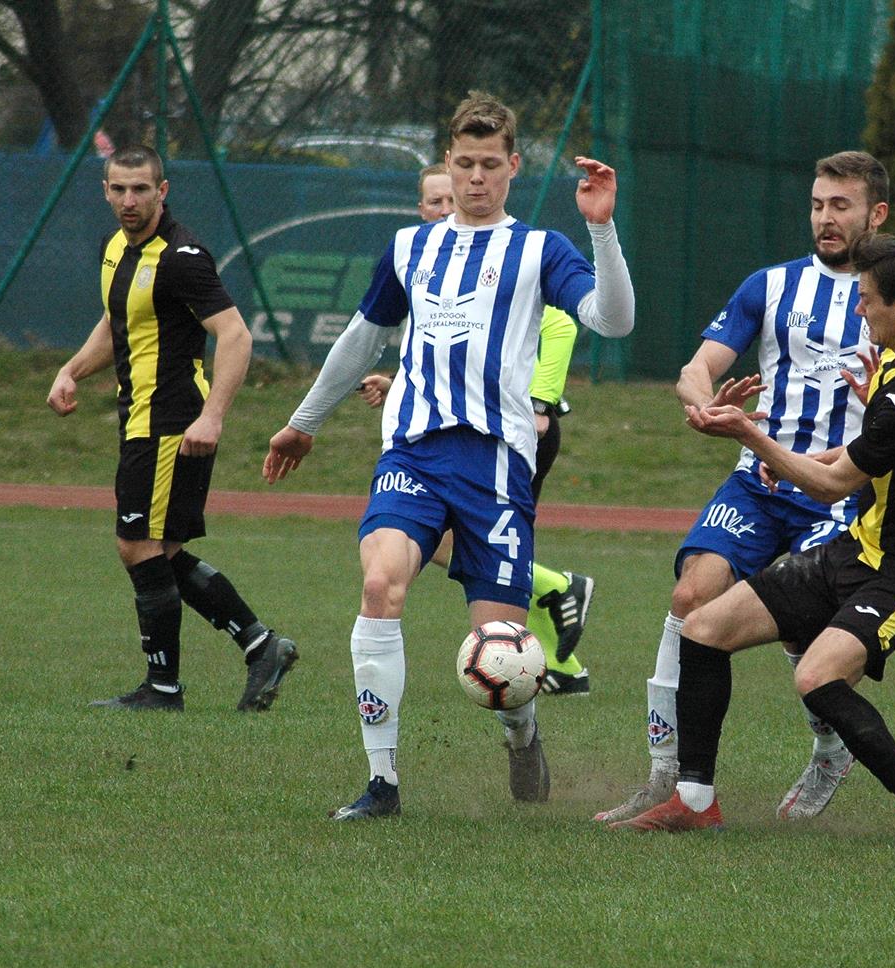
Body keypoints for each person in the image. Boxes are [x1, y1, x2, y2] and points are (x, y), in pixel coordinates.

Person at [263, 91, 634, 820]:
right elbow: (361, 340)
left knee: (499, 643)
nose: (474, 179)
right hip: (412, 453)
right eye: (462, 164)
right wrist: (304, 421)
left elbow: (613, 322)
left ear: (513, 167)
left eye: (489, 165)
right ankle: (382, 784)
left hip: (495, 465)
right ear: (446, 164)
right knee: (381, 590)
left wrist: (603, 229)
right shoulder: (411, 247)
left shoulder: (538, 250)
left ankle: (522, 730)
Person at [609, 232, 895, 852]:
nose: (859, 311)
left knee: (816, 676)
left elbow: (833, 485)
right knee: (703, 628)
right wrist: (798, 455)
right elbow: (861, 455)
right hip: (859, 548)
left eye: (867, 301)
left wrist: (752, 438)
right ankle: (695, 800)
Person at [593, 150, 895, 825]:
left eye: (840, 206)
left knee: (801, 618)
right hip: (756, 485)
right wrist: (703, 405)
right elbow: (698, 366)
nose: (824, 218)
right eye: (817, 204)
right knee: (690, 594)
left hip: (838, 492)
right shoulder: (771, 285)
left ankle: (830, 748)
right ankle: (667, 776)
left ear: (876, 213)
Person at [46, 144, 298, 713]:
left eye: (141, 189)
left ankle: (162, 689)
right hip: (139, 416)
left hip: (170, 421)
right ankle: (261, 646)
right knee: (163, 550)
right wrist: (70, 371)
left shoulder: (182, 256)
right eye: (119, 189)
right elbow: (116, 325)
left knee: (136, 546)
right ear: (105, 191)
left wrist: (213, 418)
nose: (129, 200)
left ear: (163, 191)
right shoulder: (117, 248)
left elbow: (235, 336)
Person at [360, 164, 596, 695]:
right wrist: (398, 382)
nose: (446, 209)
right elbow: (449, 355)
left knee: (475, 549)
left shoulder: (512, 253)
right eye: (434, 202)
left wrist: (542, 399)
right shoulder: (421, 258)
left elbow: (557, 323)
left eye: (451, 199)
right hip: (435, 436)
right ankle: (555, 624)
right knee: (430, 544)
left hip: (511, 433)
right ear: (422, 208)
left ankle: (554, 611)